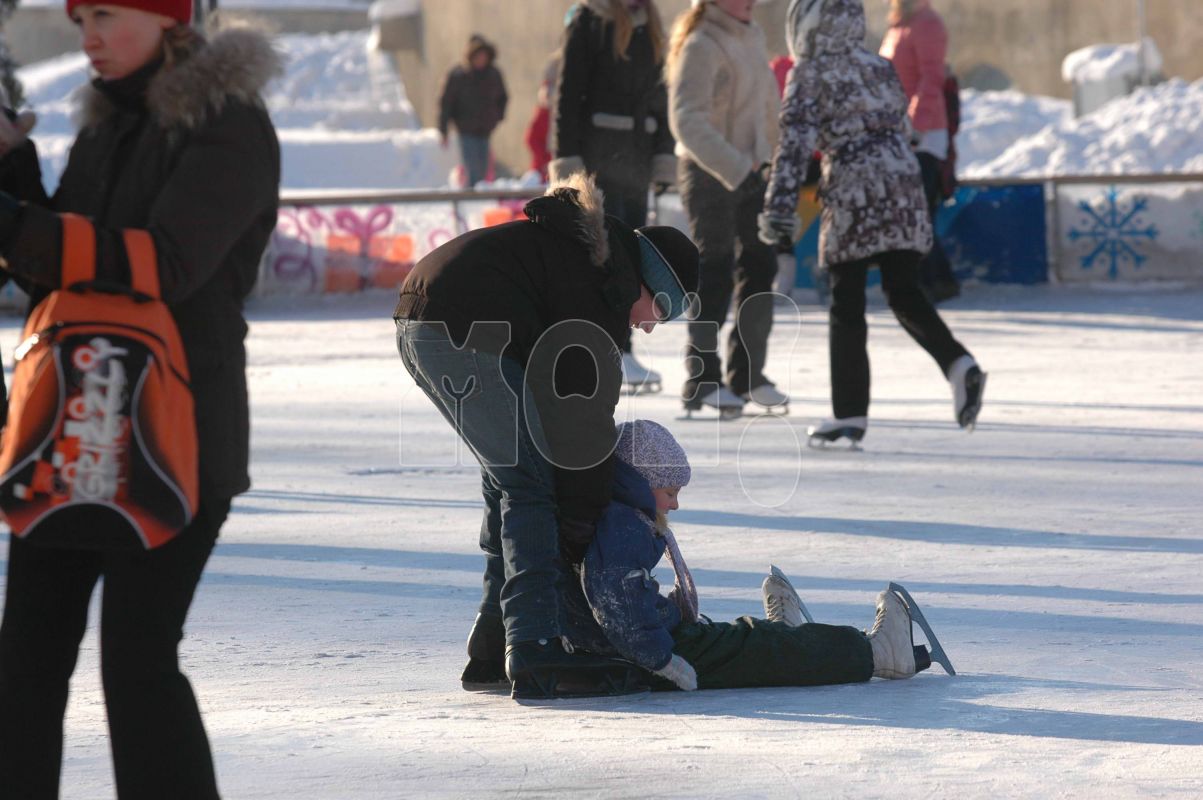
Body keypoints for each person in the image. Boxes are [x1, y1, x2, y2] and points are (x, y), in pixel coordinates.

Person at [0, 1, 280, 796]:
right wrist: (14, 176)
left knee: (137, 665)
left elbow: (162, 265)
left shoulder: (228, 123)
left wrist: (17, 222)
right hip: (71, 430)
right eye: (80, 15)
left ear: (168, 19)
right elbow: (55, 272)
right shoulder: (108, 122)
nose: (87, 33)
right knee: (24, 662)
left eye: (108, 14)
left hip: (175, 439)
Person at [393, 173, 699, 700]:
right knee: (526, 483)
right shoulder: (597, 289)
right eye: (665, 309)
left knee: (506, 475)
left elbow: (563, 410)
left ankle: (493, 644)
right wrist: (582, 528)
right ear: (650, 281)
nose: (653, 326)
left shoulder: (589, 264)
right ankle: (532, 647)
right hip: (457, 327)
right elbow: (583, 423)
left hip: (426, 317)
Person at [561, 419, 934, 691]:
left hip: (642, 641)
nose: (675, 504)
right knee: (750, 648)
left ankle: (783, 636)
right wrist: (664, 661)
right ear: (643, 481)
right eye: (670, 492)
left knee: (744, 638)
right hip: (648, 655)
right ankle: (879, 653)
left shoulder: (618, 512)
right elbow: (617, 604)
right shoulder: (623, 524)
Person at [760, 0, 985, 446]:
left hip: (854, 186)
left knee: (846, 303)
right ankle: (959, 364)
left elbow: (794, 148)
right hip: (903, 182)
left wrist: (778, 211)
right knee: (903, 289)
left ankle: (850, 414)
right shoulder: (877, 64)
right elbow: (905, 126)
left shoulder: (810, 71)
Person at [665, 0, 789, 417]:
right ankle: (702, 378)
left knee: (760, 264)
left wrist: (772, 162)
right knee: (714, 269)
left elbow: (768, 111)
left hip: (752, 173)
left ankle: (748, 374)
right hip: (708, 171)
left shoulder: (752, 38)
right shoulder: (701, 44)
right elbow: (686, 120)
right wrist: (736, 168)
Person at [551, 0, 676, 393]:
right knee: (602, 256)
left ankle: (621, 347)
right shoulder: (590, 20)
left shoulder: (650, 24)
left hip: (636, 160)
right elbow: (568, 94)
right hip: (598, 160)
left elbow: (661, 96)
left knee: (632, 255)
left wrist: (663, 155)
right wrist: (567, 163)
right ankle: (603, 349)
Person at [879, 0, 961, 302]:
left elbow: (931, 77)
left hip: (922, 136)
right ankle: (929, 280)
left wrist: (916, 125)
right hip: (899, 133)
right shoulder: (900, 23)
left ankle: (936, 281)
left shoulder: (927, 22)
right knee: (911, 211)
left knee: (917, 211)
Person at [437, 34, 508, 187]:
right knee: (472, 168)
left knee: (483, 168)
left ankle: (478, 195)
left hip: (485, 129)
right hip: (466, 129)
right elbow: (446, 103)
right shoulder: (458, 75)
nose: (481, 59)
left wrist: (497, 117)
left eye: (484, 56)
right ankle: (471, 197)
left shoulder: (493, 74)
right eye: (478, 56)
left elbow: (503, 97)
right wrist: (443, 129)